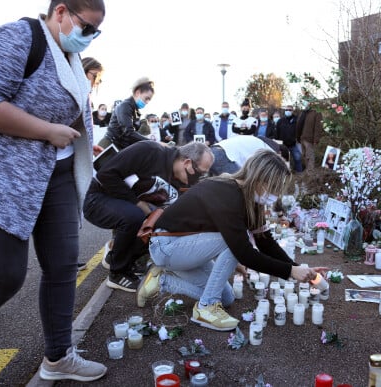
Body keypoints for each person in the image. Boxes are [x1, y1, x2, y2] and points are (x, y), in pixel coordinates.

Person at [0, 1, 107, 384]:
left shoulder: (69, 58)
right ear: (61, 12)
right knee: (4, 274)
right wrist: (47, 131)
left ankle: (58, 356)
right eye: (87, 27)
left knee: (62, 267)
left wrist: (79, 139)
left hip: (57, 174)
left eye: (96, 32)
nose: (88, 38)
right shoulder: (18, 37)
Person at [137, 149, 328, 331]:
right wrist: (290, 271)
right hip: (167, 247)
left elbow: (265, 242)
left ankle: (161, 281)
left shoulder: (251, 199)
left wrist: (300, 269)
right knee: (236, 243)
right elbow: (243, 252)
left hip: (186, 250)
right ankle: (206, 308)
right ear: (259, 178)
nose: (275, 196)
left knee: (226, 298)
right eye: (274, 188)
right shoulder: (226, 193)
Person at [83, 141, 214, 293]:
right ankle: (117, 273)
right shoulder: (149, 152)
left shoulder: (180, 180)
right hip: (97, 198)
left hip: (123, 204)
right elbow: (106, 175)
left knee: (161, 224)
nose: (198, 178)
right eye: (199, 173)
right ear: (186, 162)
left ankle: (118, 258)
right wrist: (138, 204)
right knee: (136, 217)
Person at [99, 77, 154, 150]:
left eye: (149, 100)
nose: (147, 102)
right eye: (146, 98)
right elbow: (128, 132)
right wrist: (151, 142)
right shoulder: (125, 106)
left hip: (120, 147)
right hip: (109, 146)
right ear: (138, 93)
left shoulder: (135, 111)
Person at [209, 135, 289, 176]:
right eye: (282, 160)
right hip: (225, 156)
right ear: (280, 153)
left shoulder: (261, 142)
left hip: (213, 151)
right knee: (237, 186)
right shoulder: (270, 151)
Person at [296, 99, 323, 171]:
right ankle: (307, 173)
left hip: (310, 139)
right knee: (304, 156)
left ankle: (310, 174)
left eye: (307, 101)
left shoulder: (317, 112)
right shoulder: (304, 112)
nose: (305, 103)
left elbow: (318, 127)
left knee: (310, 157)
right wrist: (298, 137)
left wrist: (316, 140)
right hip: (302, 138)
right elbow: (299, 125)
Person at [275, 105, 303, 172]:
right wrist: (278, 143)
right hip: (283, 145)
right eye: (286, 110)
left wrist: (298, 140)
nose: (288, 111)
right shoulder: (280, 121)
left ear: (292, 111)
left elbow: (300, 130)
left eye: (290, 110)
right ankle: (285, 174)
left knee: (298, 158)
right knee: (284, 160)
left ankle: (300, 174)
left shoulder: (297, 120)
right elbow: (277, 133)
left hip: (294, 144)